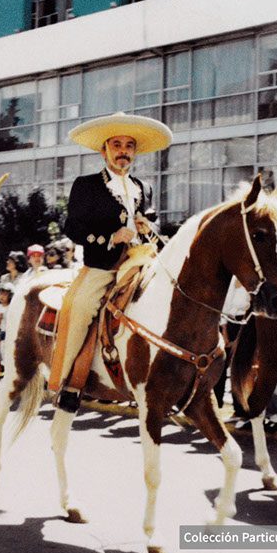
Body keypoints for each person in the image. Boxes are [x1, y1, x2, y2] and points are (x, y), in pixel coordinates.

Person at [48, 112, 171, 403]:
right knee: (78, 307)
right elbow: (73, 228)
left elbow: (153, 225)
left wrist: (147, 228)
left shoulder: (145, 188)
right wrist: (111, 238)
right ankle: (65, 380)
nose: (123, 151)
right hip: (102, 265)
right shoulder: (86, 185)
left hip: (141, 260)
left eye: (129, 145)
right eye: (117, 144)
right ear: (104, 150)